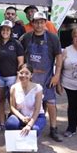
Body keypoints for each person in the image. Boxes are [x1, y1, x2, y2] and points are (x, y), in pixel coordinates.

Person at [20, 12, 63, 142]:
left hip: (47, 78)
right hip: (30, 79)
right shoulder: (26, 37)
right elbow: (20, 56)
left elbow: (59, 57)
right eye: (36, 22)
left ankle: (53, 129)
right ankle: (28, 125)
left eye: (41, 22)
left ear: (45, 23)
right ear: (32, 23)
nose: (39, 24)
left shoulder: (52, 38)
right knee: (29, 104)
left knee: (51, 103)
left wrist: (57, 75)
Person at [0, 20, 24, 131]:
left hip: (12, 77)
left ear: (11, 31)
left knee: (13, 101)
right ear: (0, 31)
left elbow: (21, 63)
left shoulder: (16, 43)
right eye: (3, 29)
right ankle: (2, 123)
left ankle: (13, 122)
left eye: (7, 30)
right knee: (0, 100)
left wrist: (18, 79)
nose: (5, 31)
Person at [5, 64, 47, 138]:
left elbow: (37, 109)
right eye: (21, 73)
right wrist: (22, 118)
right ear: (18, 73)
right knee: (11, 124)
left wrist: (29, 125)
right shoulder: (14, 88)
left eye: (27, 73)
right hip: (20, 115)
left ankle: (29, 136)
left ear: (31, 75)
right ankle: (18, 136)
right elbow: (12, 107)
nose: (23, 75)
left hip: (37, 116)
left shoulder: (38, 88)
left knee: (34, 129)